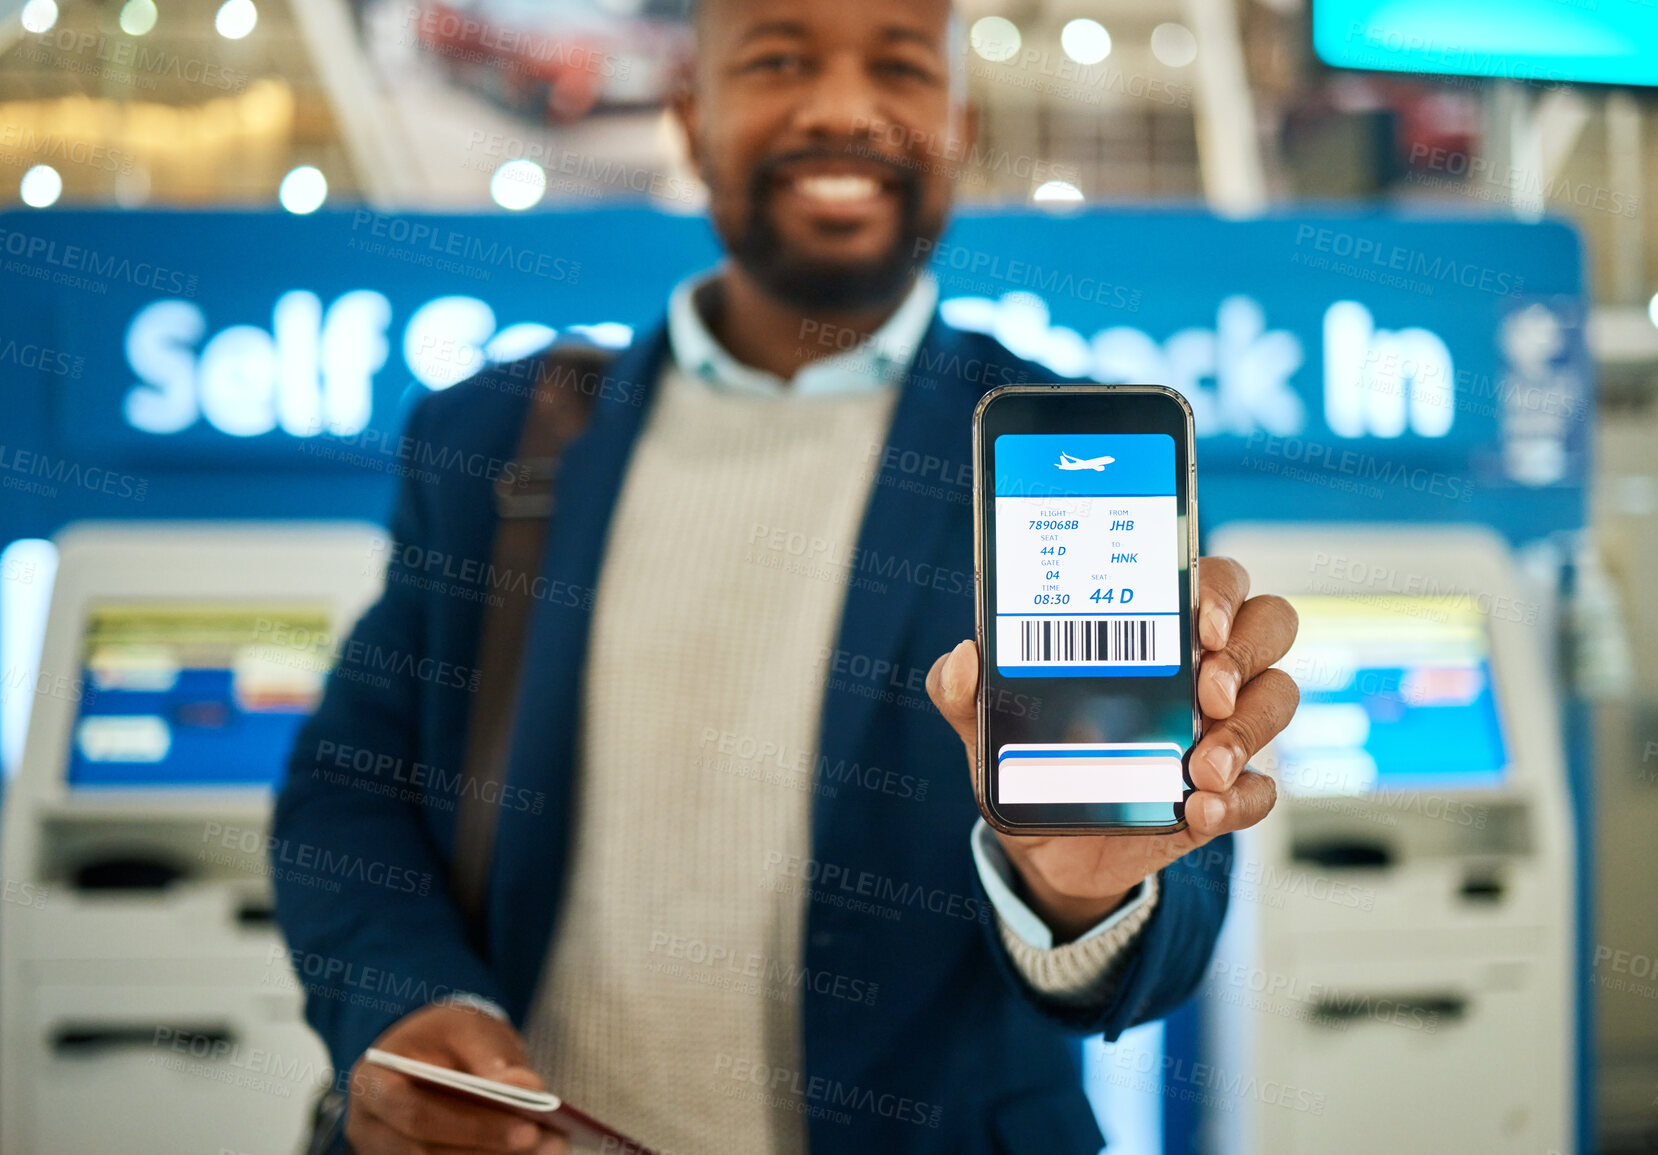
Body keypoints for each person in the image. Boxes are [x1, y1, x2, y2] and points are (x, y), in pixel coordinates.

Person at [272, 0, 1299, 1151]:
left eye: (899, 66)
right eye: (777, 58)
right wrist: (415, 1005)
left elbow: (1166, 910)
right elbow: (348, 793)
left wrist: (1080, 894)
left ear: (955, 128)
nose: (844, 107)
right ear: (691, 119)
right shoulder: (502, 444)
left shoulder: (1061, 472)